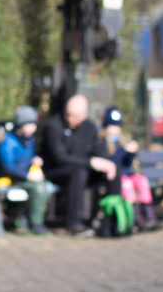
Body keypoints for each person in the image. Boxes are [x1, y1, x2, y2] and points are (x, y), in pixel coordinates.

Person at [40, 94, 116, 234]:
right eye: (68, 114)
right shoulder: (53, 126)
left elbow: (96, 151)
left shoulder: (89, 127)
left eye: (75, 116)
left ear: (85, 115)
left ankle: (112, 221)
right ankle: (73, 223)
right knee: (79, 172)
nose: (70, 119)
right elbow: (60, 158)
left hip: (83, 170)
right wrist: (90, 162)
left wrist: (107, 164)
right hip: (55, 171)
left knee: (113, 170)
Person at [101, 106, 160, 230]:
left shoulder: (121, 141)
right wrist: (124, 151)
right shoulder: (103, 143)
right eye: (112, 126)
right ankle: (135, 218)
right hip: (115, 177)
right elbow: (113, 162)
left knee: (141, 180)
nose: (115, 130)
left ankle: (149, 216)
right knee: (127, 184)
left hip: (127, 173)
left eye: (117, 126)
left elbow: (126, 164)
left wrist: (131, 152)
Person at [0, 106, 54, 234]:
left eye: (34, 124)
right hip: (12, 178)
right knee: (40, 189)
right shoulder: (8, 142)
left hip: (26, 177)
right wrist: (27, 176)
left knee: (49, 186)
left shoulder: (29, 140)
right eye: (29, 124)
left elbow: (28, 157)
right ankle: (35, 223)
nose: (33, 128)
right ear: (20, 125)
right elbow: (8, 167)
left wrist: (35, 159)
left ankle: (26, 217)